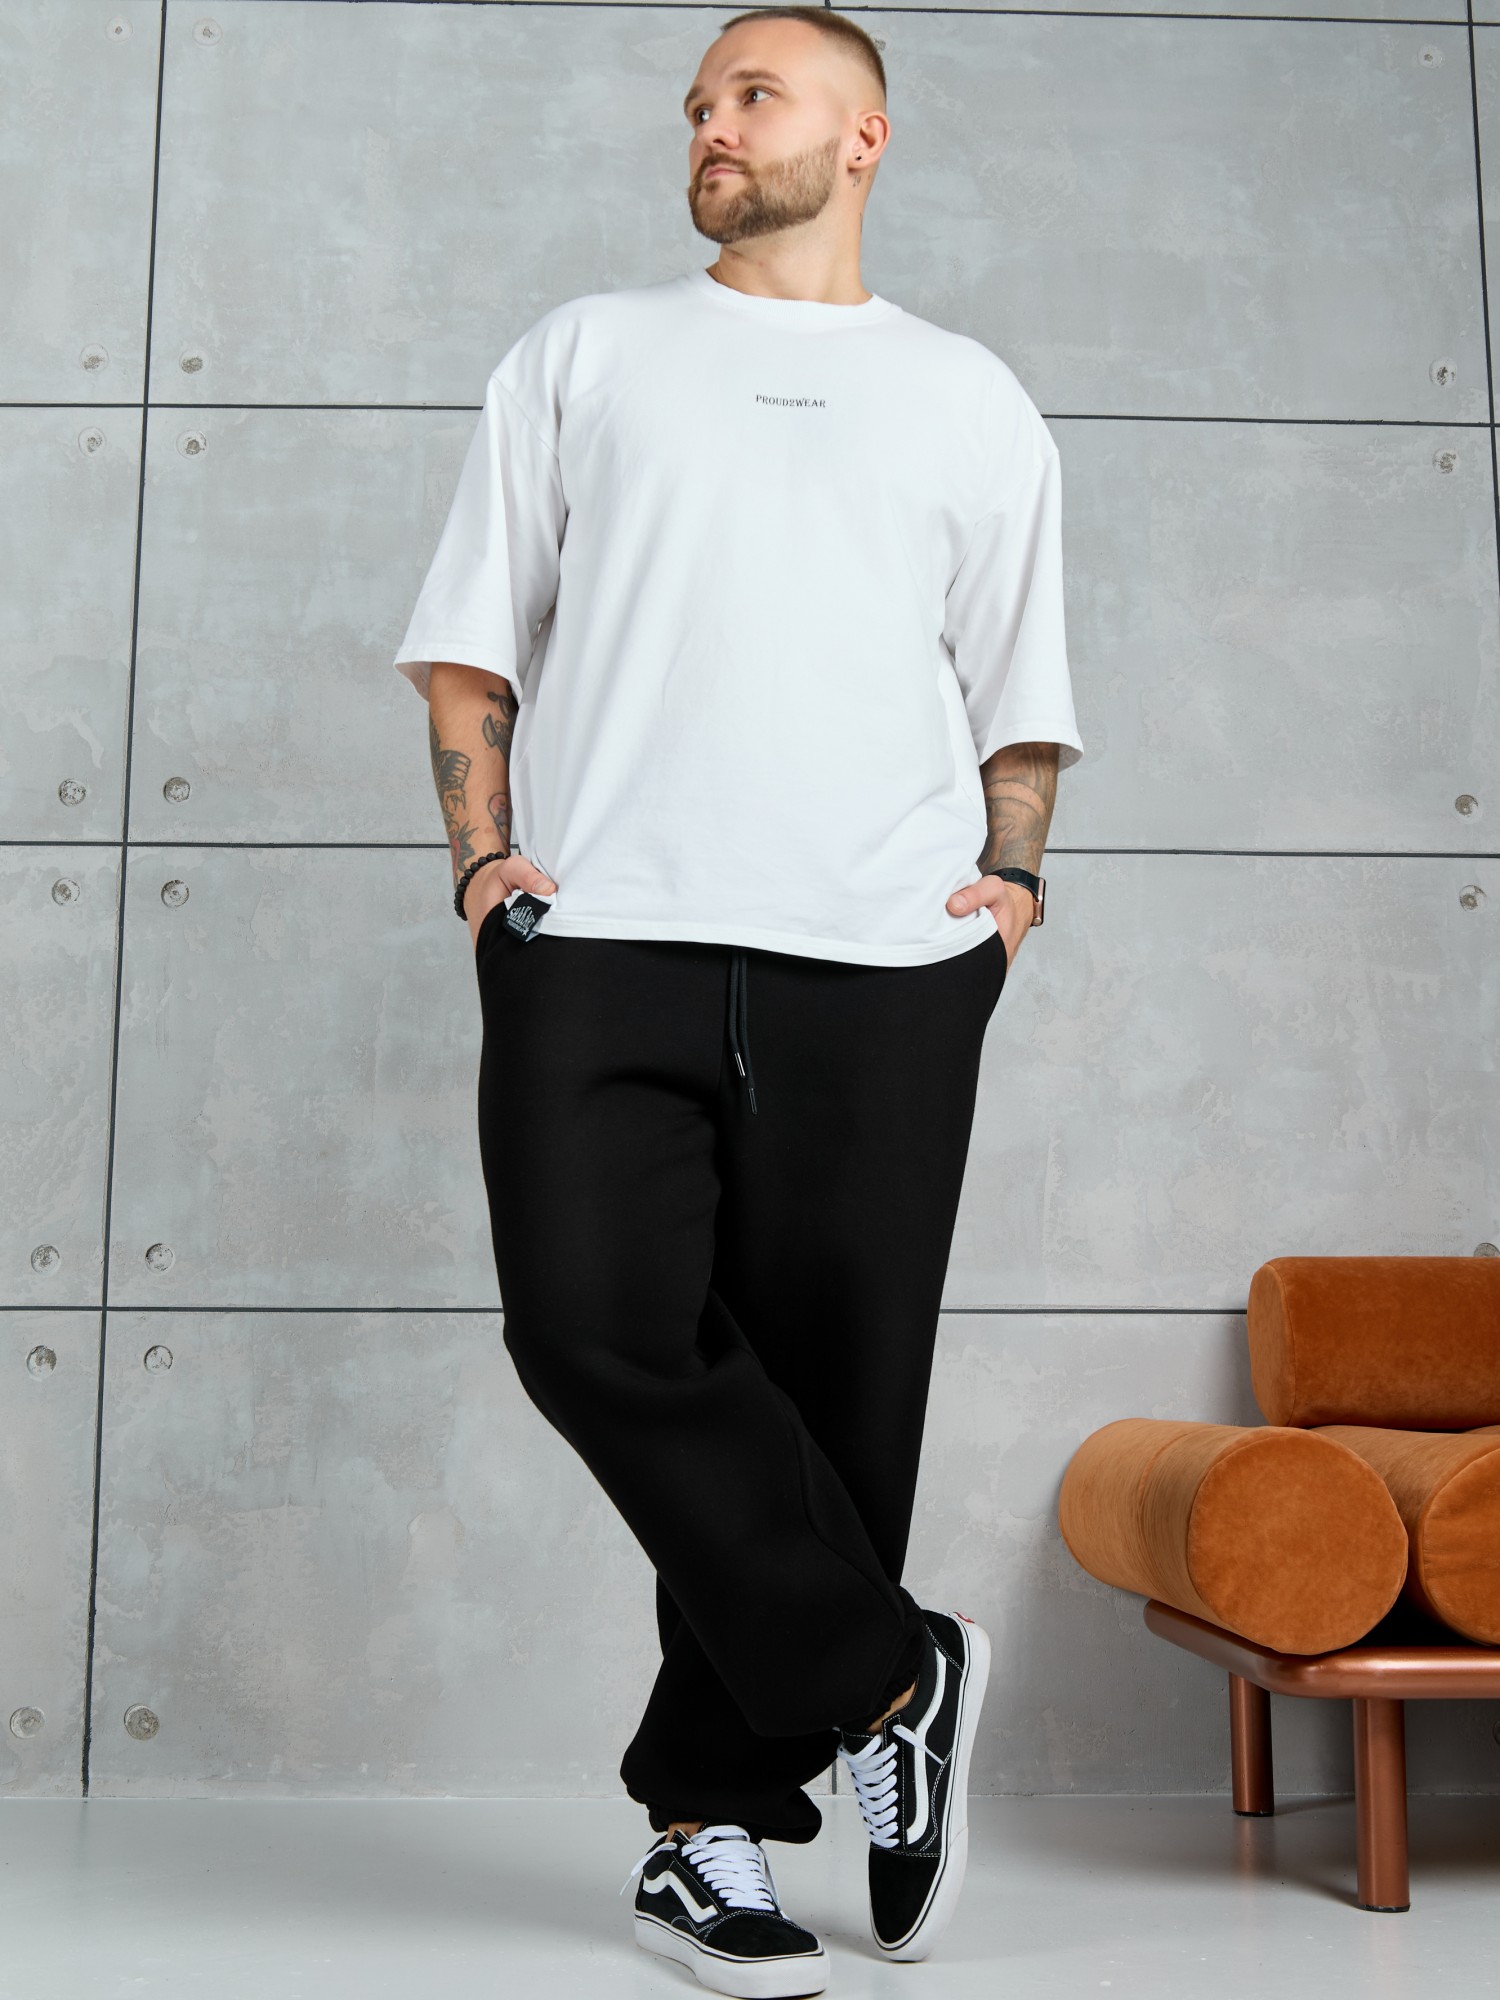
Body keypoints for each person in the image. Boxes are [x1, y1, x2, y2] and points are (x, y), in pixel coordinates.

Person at [391, 7, 1083, 1993]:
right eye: (699, 102)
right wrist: (481, 864)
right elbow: (469, 647)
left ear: (864, 137)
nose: (710, 122)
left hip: (887, 958)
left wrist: (1011, 891)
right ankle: (889, 1675)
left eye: (753, 94)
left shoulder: (966, 397)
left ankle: (708, 1830)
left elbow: (1019, 691)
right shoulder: (584, 355)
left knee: (832, 1402)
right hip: (602, 933)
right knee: (589, 1331)